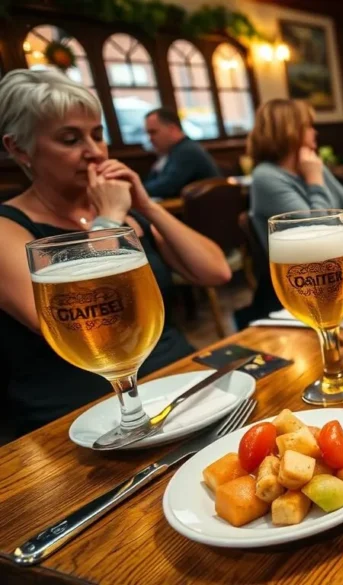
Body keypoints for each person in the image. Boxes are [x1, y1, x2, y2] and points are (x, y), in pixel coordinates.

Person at [0, 70, 231, 435]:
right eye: (70, 139)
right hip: (79, 417)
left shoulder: (127, 211)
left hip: (175, 386)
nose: (93, 151)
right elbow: (74, 321)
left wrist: (147, 205)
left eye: (97, 134)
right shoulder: (7, 228)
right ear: (18, 148)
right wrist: (110, 218)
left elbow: (216, 272)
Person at [248, 99, 343, 255]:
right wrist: (315, 180)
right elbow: (315, 236)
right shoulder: (266, 177)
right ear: (289, 131)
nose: (315, 132)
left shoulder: (311, 166)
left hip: (336, 262)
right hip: (301, 275)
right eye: (308, 126)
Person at [143, 108, 221, 199]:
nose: (150, 138)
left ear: (173, 129)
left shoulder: (187, 151)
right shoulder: (174, 151)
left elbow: (167, 187)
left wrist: (135, 189)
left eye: (153, 132)